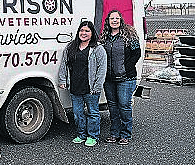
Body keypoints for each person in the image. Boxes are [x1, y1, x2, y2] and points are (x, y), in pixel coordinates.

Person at [58, 21, 107, 147]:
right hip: (75, 87)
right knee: (77, 114)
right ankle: (81, 135)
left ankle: (93, 136)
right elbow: (64, 64)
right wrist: (63, 80)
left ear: (92, 33)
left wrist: (97, 86)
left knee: (93, 113)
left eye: (87, 31)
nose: (83, 33)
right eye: (81, 30)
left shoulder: (97, 48)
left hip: (90, 88)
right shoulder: (71, 47)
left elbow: (102, 69)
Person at [99, 10, 141, 145]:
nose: (115, 20)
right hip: (109, 79)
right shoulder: (104, 36)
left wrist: (126, 66)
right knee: (113, 107)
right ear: (108, 21)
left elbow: (137, 53)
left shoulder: (129, 35)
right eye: (112, 18)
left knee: (124, 105)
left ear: (121, 20)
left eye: (117, 18)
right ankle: (114, 133)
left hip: (126, 78)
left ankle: (125, 134)